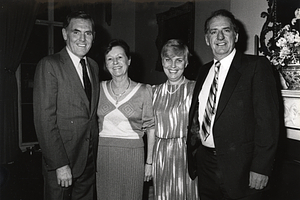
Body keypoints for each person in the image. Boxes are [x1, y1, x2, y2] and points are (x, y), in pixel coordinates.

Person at [186, 9, 280, 200]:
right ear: (206, 39)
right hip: (206, 165)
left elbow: (268, 123)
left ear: (235, 36)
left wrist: (261, 168)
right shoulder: (203, 71)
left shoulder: (256, 66)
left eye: (226, 30)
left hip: (242, 171)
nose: (219, 36)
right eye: (213, 32)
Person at [33, 11, 100, 200]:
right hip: (63, 161)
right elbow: (44, 120)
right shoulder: (49, 65)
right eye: (76, 32)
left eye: (88, 33)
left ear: (93, 37)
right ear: (64, 34)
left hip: (89, 159)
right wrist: (59, 164)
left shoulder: (93, 66)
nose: (82, 38)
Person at [96, 39, 155, 200]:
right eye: (109, 58)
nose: (115, 62)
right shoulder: (98, 88)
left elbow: (151, 128)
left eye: (120, 57)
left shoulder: (144, 90)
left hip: (133, 155)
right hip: (103, 155)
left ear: (129, 60)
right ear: (105, 64)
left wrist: (149, 163)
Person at [152, 39, 199, 200]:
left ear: (186, 63)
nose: (173, 65)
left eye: (179, 60)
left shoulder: (195, 89)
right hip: (161, 155)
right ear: (162, 62)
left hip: (185, 155)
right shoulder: (153, 92)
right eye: (168, 60)